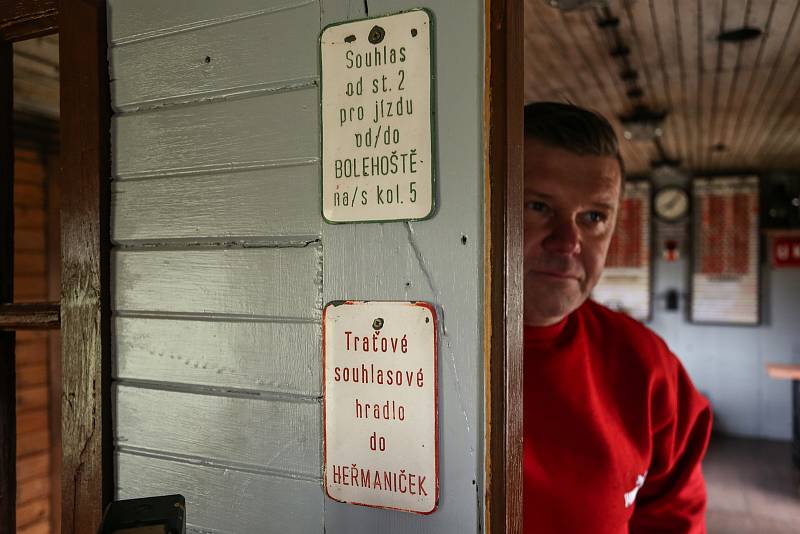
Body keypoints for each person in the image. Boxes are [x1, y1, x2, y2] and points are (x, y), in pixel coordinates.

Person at [523, 102, 712, 533]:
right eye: (538, 206)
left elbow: (675, 520)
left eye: (593, 217)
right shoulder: (398, 352)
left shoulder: (646, 367)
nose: (568, 241)